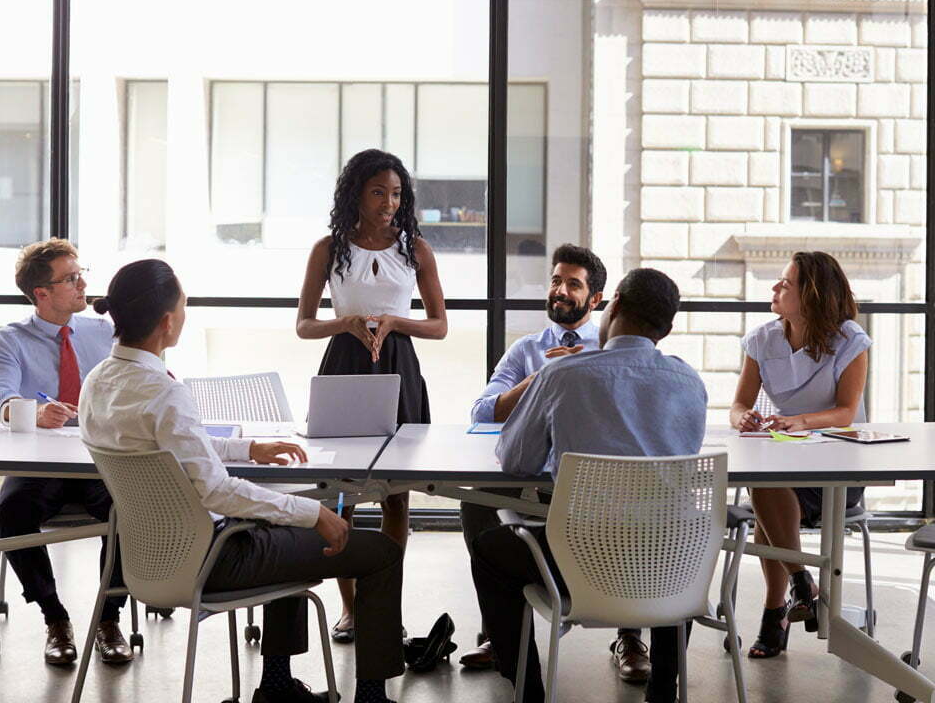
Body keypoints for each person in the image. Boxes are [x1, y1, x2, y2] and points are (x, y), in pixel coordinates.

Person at [81, 259, 404, 703]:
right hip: (213, 559)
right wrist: (315, 513)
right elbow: (216, 491)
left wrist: (247, 449)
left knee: (284, 527)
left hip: (149, 560)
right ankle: (371, 697)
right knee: (380, 551)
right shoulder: (163, 391)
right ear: (167, 321)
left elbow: (168, 454)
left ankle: (277, 686)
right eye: (184, 308)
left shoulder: (98, 382)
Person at [471, 268, 707, 703]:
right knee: (674, 535)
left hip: (578, 561)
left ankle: (529, 691)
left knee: (490, 548)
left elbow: (515, 461)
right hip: (671, 569)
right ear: (667, 329)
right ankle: (662, 690)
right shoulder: (690, 382)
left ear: (612, 303)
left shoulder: (562, 376)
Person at [462, 245, 652, 684]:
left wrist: (582, 372)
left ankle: (630, 635)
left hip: (605, 485)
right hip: (536, 479)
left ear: (597, 299)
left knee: (634, 512)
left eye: (573, 284)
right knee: (475, 504)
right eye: (555, 281)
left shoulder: (614, 350)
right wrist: (542, 379)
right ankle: (500, 630)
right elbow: (483, 411)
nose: (560, 291)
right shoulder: (526, 349)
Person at [297, 148, 447, 643]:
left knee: (396, 496)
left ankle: (385, 606)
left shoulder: (416, 250)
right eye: (378, 192)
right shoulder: (328, 249)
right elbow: (303, 325)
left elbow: (440, 325)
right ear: (356, 194)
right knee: (341, 495)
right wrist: (346, 323)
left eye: (396, 193)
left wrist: (394, 322)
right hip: (344, 365)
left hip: (400, 367)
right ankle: (351, 608)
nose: (388, 203)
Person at [0, 238, 132, 666]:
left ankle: (109, 618)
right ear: (42, 294)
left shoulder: (102, 331)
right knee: (12, 513)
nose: (83, 283)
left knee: (132, 507)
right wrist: (29, 410)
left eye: (81, 272)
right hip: (39, 464)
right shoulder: (11, 340)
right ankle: (55, 618)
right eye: (71, 278)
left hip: (98, 460)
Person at [729, 251, 871, 660]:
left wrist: (802, 421)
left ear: (810, 295)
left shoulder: (849, 341)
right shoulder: (762, 339)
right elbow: (738, 404)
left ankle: (777, 612)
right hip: (785, 462)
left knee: (767, 511)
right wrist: (745, 419)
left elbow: (846, 411)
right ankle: (801, 583)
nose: (775, 289)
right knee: (766, 485)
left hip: (837, 468)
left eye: (785, 284)